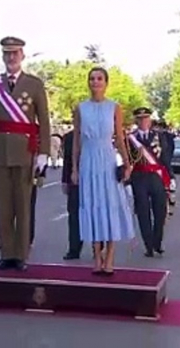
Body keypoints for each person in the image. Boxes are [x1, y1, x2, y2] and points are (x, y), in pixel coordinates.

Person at [0, 36, 51, 271]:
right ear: (3, 56)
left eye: (15, 53)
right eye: (7, 54)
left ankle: (21, 255)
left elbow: (45, 122)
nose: (11, 57)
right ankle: (7, 254)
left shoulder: (34, 84)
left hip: (24, 152)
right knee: (4, 206)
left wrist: (43, 153)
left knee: (23, 205)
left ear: (22, 56)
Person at [72, 67, 134, 275]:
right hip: (88, 161)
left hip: (107, 160)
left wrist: (126, 163)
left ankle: (110, 258)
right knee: (92, 206)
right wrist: (73, 168)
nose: (95, 82)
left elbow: (119, 137)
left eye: (99, 78)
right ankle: (96, 258)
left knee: (110, 206)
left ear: (106, 83)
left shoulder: (114, 107)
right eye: (92, 78)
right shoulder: (80, 108)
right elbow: (76, 142)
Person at [126, 107, 171, 257]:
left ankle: (157, 242)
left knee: (160, 211)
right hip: (139, 177)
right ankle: (149, 246)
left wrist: (170, 176)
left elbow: (165, 157)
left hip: (156, 176)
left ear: (150, 120)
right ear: (136, 121)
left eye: (146, 118)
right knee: (143, 212)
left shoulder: (159, 136)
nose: (143, 121)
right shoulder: (130, 138)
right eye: (140, 119)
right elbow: (128, 158)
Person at [61, 126, 82, 260]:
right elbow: (67, 160)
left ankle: (98, 248)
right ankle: (74, 249)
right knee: (74, 215)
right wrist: (65, 180)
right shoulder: (69, 137)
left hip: (93, 180)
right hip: (75, 180)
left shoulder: (94, 133)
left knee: (95, 213)